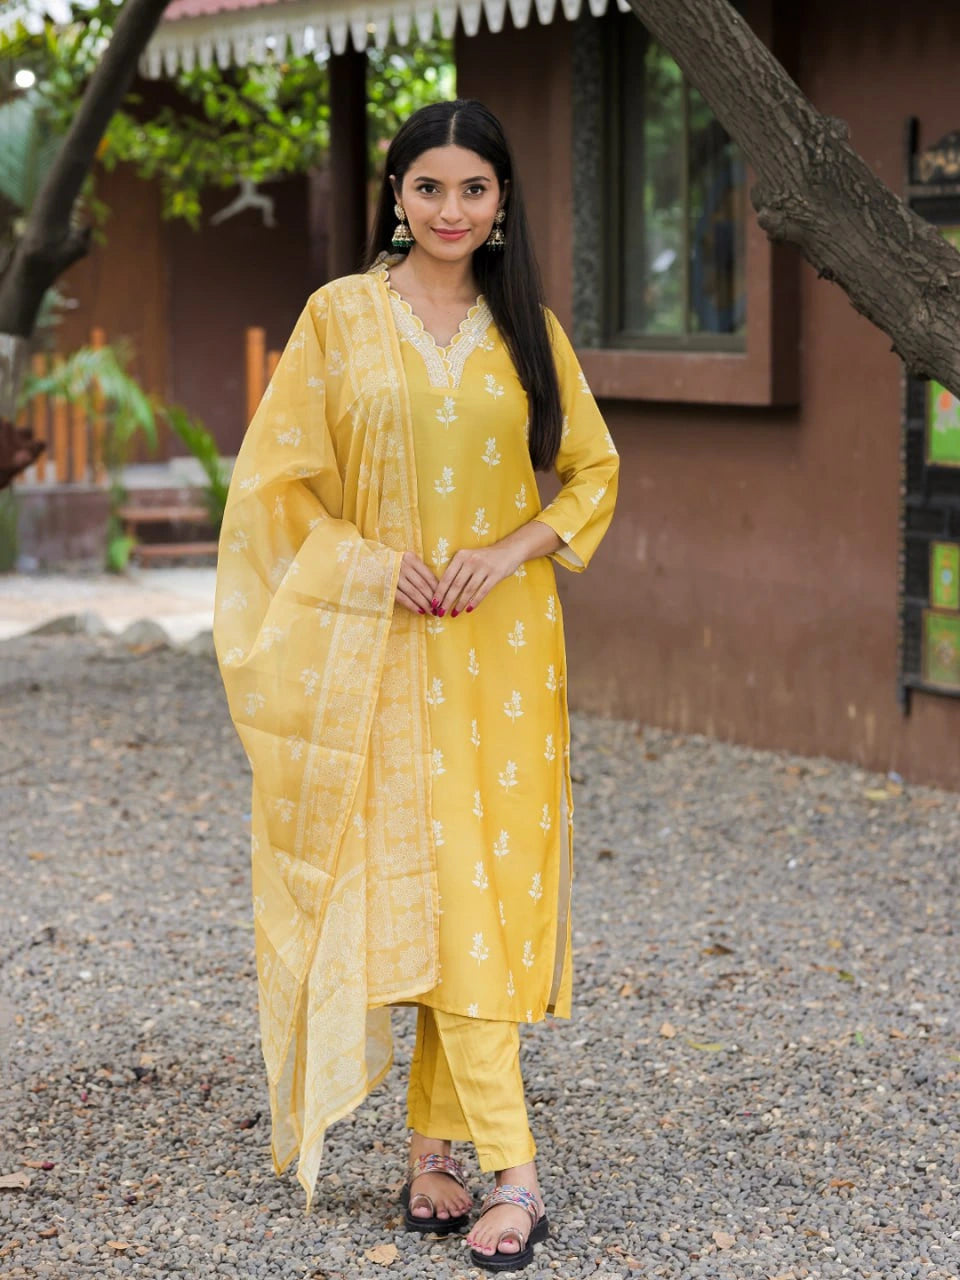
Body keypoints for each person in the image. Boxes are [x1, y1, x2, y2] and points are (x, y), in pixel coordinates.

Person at [213, 98, 618, 1271]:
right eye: (429, 186)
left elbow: (592, 472)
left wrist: (509, 549)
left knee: (475, 884)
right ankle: (509, 1167)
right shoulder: (339, 319)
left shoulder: (528, 328)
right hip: (384, 647)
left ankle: (442, 1152)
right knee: (436, 884)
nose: (451, 209)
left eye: (473, 189)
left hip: (504, 648)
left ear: (502, 203)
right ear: (396, 195)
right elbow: (276, 488)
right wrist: (375, 564)